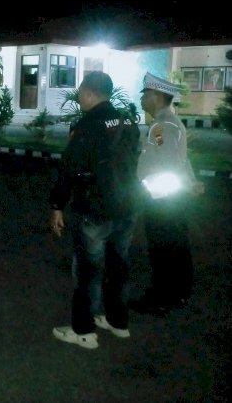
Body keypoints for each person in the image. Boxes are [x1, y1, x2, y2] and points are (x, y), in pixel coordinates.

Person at [49, 71, 140, 350]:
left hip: (95, 207)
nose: (79, 97)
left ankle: (84, 331)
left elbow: (70, 168)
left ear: (89, 93)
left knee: (89, 270)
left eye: (80, 92)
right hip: (127, 205)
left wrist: (57, 205)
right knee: (119, 265)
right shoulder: (128, 122)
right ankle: (118, 322)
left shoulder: (87, 125)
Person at [129, 72, 205, 317]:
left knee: (162, 250)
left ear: (156, 96)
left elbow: (168, 161)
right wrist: (190, 182)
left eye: (145, 94)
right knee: (176, 246)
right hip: (171, 196)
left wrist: (152, 188)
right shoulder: (169, 123)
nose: (142, 99)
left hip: (161, 197)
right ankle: (179, 294)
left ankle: (160, 299)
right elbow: (181, 159)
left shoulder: (162, 127)